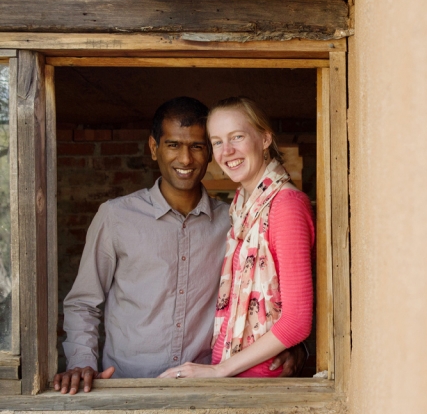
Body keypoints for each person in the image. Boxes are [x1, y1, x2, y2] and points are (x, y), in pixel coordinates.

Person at [54, 97, 303, 395]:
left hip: (204, 387)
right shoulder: (116, 216)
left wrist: (297, 349)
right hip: (125, 387)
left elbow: (269, 294)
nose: (185, 159)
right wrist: (82, 362)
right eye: (173, 145)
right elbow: (83, 302)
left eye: (197, 146)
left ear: (209, 153)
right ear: (153, 147)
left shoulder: (234, 220)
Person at [159, 97, 314, 379]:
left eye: (237, 137)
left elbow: (297, 321)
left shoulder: (286, 205)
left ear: (265, 138)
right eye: (217, 142)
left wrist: (219, 370)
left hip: (261, 383)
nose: (227, 151)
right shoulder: (242, 207)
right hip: (236, 377)